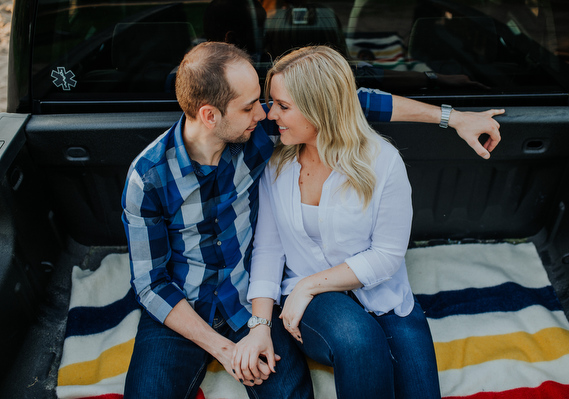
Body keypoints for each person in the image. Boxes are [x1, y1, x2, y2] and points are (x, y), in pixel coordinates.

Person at [121, 41, 503, 398]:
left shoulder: (258, 135)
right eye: (253, 105)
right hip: (185, 307)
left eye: (269, 103)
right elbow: (152, 284)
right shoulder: (151, 178)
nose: (264, 113)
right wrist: (230, 346)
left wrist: (453, 118)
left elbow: (346, 100)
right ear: (210, 116)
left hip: (247, 297)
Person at [236, 45, 445, 398]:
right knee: (358, 339)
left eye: (283, 106)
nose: (272, 116)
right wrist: (261, 323)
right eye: (273, 104)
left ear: (321, 108)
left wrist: (309, 285)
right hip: (313, 304)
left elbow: (387, 255)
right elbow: (269, 249)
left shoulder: (383, 161)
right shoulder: (276, 166)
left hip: (381, 292)